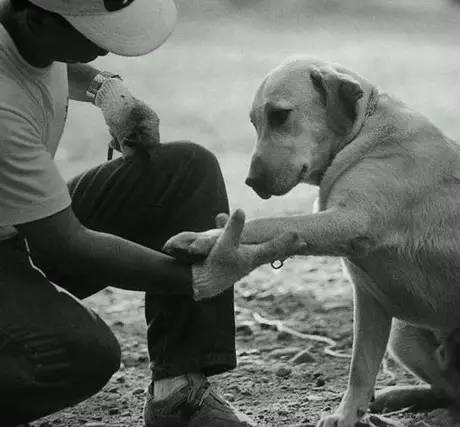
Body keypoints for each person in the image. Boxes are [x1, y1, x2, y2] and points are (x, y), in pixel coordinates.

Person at [0, 0, 303, 425]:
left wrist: (106, 92)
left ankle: (178, 397)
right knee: (81, 353)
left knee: (186, 172)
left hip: (17, 225)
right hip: (21, 243)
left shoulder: (21, 25)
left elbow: (41, 61)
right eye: (94, 35)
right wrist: (200, 278)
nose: (107, 47)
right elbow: (66, 246)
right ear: (35, 19)